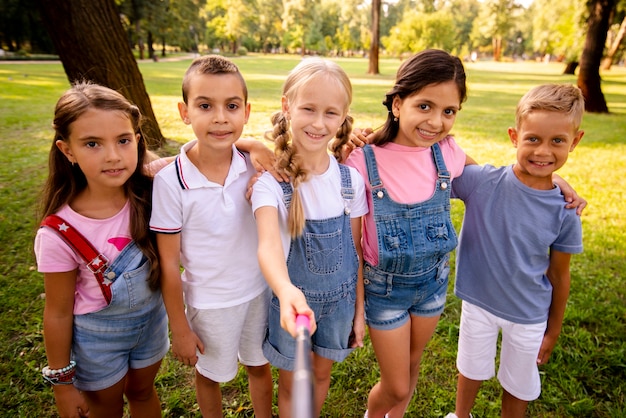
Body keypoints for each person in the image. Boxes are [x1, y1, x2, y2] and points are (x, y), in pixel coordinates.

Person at [337, 48, 472, 418]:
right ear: (398, 104)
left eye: (449, 111)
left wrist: (548, 178)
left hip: (432, 283)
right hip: (385, 290)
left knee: (412, 366)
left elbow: (496, 181)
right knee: (395, 384)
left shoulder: (448, 152)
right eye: (424, 106)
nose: (436, 121)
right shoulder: (361, 158)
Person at [445, 84, 585, 418]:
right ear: (514, 135)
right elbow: (438, 157)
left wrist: (553, 330)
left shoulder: (565, 211)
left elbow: (559, 275)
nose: (543, 151)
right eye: (533, 139)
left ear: (575, 141)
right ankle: (460, 415)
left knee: (518, 382)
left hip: (529, 315)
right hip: (478, 302)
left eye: (557, 141)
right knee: (470, 367)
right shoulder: (482, 182)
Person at [34, 81, 169, 418]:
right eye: (92, 143)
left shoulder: (152, 186)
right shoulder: (59, 232)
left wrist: (254, 144)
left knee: (142, 391)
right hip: (98, 341)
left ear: (136, 141)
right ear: (68, 151)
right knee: (106, 409)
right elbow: (58, 313)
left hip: (151, 324)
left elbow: (209, 149)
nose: (113, 155)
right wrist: (63, 385)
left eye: (123, 140)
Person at [149, 55, 273, 418]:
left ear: (246, 111)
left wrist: (255, 146)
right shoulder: (171, 182)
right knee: (210, 375)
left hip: (257, 290)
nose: (220, 117)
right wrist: (180, 326)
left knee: (258, 365)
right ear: (184, 111)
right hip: (210, 302)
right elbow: (169, 264)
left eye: (231, 106)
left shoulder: (255, 164)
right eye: (205, 105)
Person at [251, 57, 368, 417]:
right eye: (308, 109)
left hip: (339, 306)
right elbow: (269, 245)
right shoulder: (271, 185)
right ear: (287, 106)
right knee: (292, 384)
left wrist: (359, 311)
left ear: (344, 117)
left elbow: (357, 253)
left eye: (331, 113)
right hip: (291, 304)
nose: (319, 123)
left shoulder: (351, 182)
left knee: (320, 376)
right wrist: (286, 291)